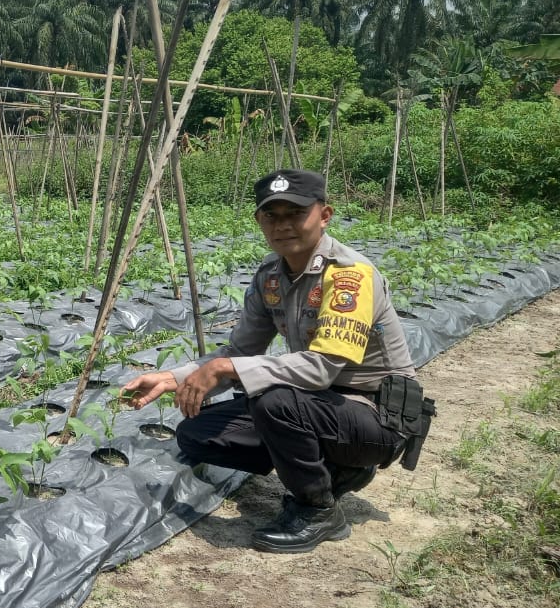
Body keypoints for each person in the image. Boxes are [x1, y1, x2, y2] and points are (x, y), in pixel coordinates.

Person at [121, 169, 418, 553]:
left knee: (273, 400)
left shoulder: (349, 276)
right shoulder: (271, 277)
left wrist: (226, 370)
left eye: (295, 213)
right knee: (197, 434)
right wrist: (174, 377)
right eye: (271, 216)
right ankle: (337, 468)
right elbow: (241, 350)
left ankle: (317, 509)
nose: (283, 225)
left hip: (376, 415)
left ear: (324, 215)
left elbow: (321, 367)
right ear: (259, 220)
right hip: (319, 405)